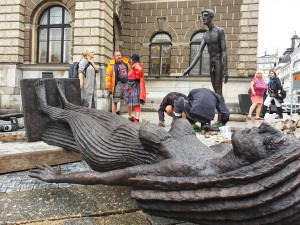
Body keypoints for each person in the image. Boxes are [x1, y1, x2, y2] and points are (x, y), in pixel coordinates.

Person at [183, 9, 228, 101]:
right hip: (211, 64)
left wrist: (226, 70)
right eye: (202, 15)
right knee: (216, 91)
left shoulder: (220, 31)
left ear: (211, 17)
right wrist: (189, 68)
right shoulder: (206, 35)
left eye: (205, 15)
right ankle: (223, 113)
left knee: (218, 91)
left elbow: (224, 51)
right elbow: (199, 53)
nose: (203, 17)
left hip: (219, 62)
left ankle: (221, 114)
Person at [105, 51, 132, 119]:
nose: (119, 56)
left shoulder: (125, 62)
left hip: (126, 84)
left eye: (120, 55)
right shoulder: (111, 65)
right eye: (117, 55)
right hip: (118, 85)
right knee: (115, 101)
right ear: (114, 57)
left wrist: (131, 83)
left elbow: (130, 72)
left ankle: (130, 116)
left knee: (128, 100)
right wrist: (108, 87)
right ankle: (114, 117)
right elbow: (108, 76)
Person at [127, 54, 146, 123]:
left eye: (131, 59)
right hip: (134, 86)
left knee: (136, 103)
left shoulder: (136, 65)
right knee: (136, 103)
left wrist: (137, 76)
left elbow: (140, 70)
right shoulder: (134, 66)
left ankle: (136, 119)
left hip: (135, 86)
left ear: (133, 60)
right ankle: (136, 119)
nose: (130, 60)